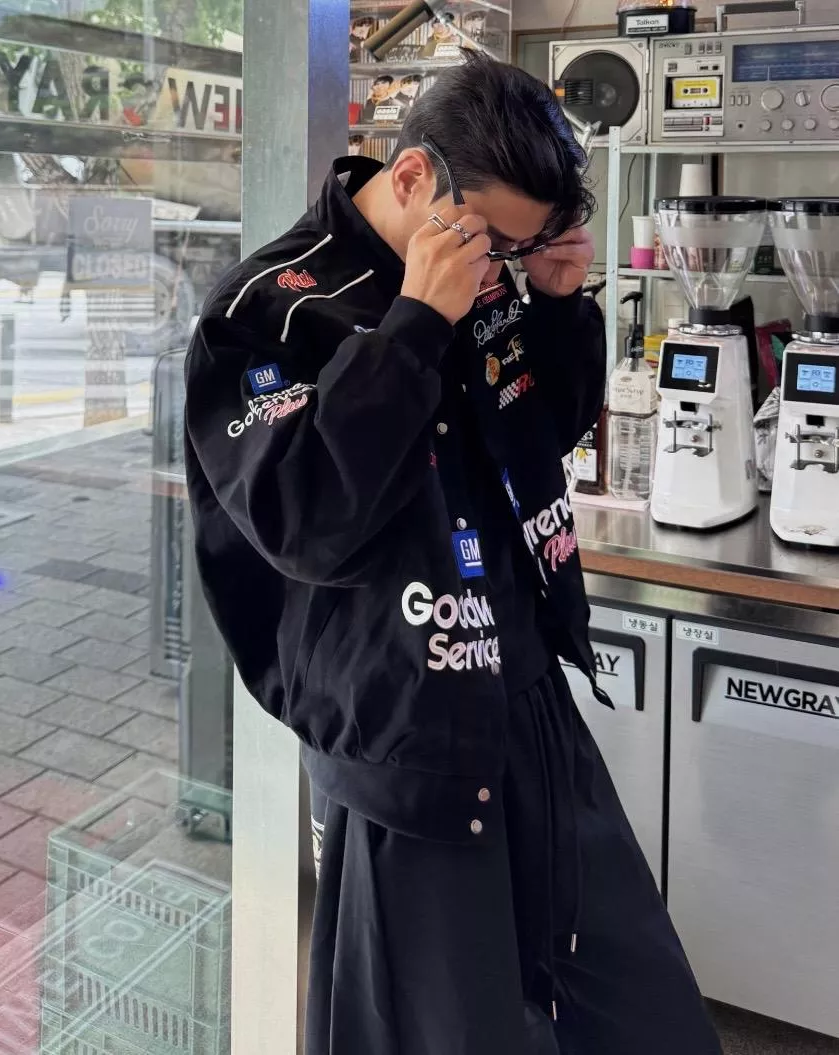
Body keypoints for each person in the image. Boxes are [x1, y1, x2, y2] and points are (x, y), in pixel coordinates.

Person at [184, 53, 723, 1055]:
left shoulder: (492, 277)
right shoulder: (266, 312)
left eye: (523, 246)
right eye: (493, 241)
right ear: (412, 177)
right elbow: (303, 523)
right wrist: (414, 326)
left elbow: (541, 433)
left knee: (641, 1012)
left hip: (529, 698)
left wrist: (555, 304)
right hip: (404, 736)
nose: (499, 267)